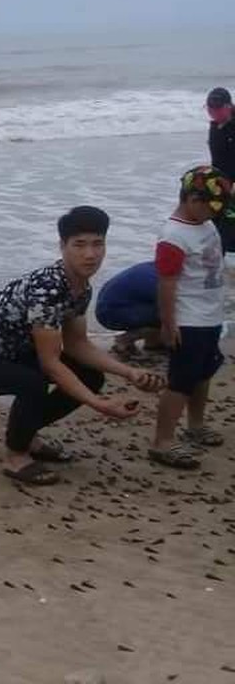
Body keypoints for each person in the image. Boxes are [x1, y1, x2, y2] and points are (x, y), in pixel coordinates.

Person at [0, 207, 164, 486]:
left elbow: (77, 345)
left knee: (90, 375)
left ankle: (26, 434)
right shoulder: (47, 288)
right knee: (33, 383)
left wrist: (128, 373)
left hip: (17, 353)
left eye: (98, 244)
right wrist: (99, 404)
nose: (90, 254)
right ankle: (16, 456)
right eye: (79, 245)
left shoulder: (81, 288)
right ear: (62, 246)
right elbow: (50, 362)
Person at [149, 166, 231, 470]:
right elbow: (166, 283)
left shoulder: (205, 224)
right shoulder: (174, 236)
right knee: (181, 381)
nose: (215, 213)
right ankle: (162, 441)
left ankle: (195, 425)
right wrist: (169, 324)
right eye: (211, 206)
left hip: (210, 313)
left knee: (204, 371)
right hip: (189, 318)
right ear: (192, 198)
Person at [95, 261, 162, 357]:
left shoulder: (153, 267)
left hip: (106, 308)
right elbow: (169, 311)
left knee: (162, 308)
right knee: (170, 313)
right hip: (113, 313)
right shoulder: (161, 279)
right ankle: (125, 339)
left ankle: (153, 343)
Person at [205, 88, 235, 251]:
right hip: (220, 182)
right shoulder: (215, 126)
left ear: (229, 106)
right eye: (210, 108)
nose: (213, 112)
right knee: (216, 226)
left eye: (218, 108)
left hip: (231, 184)